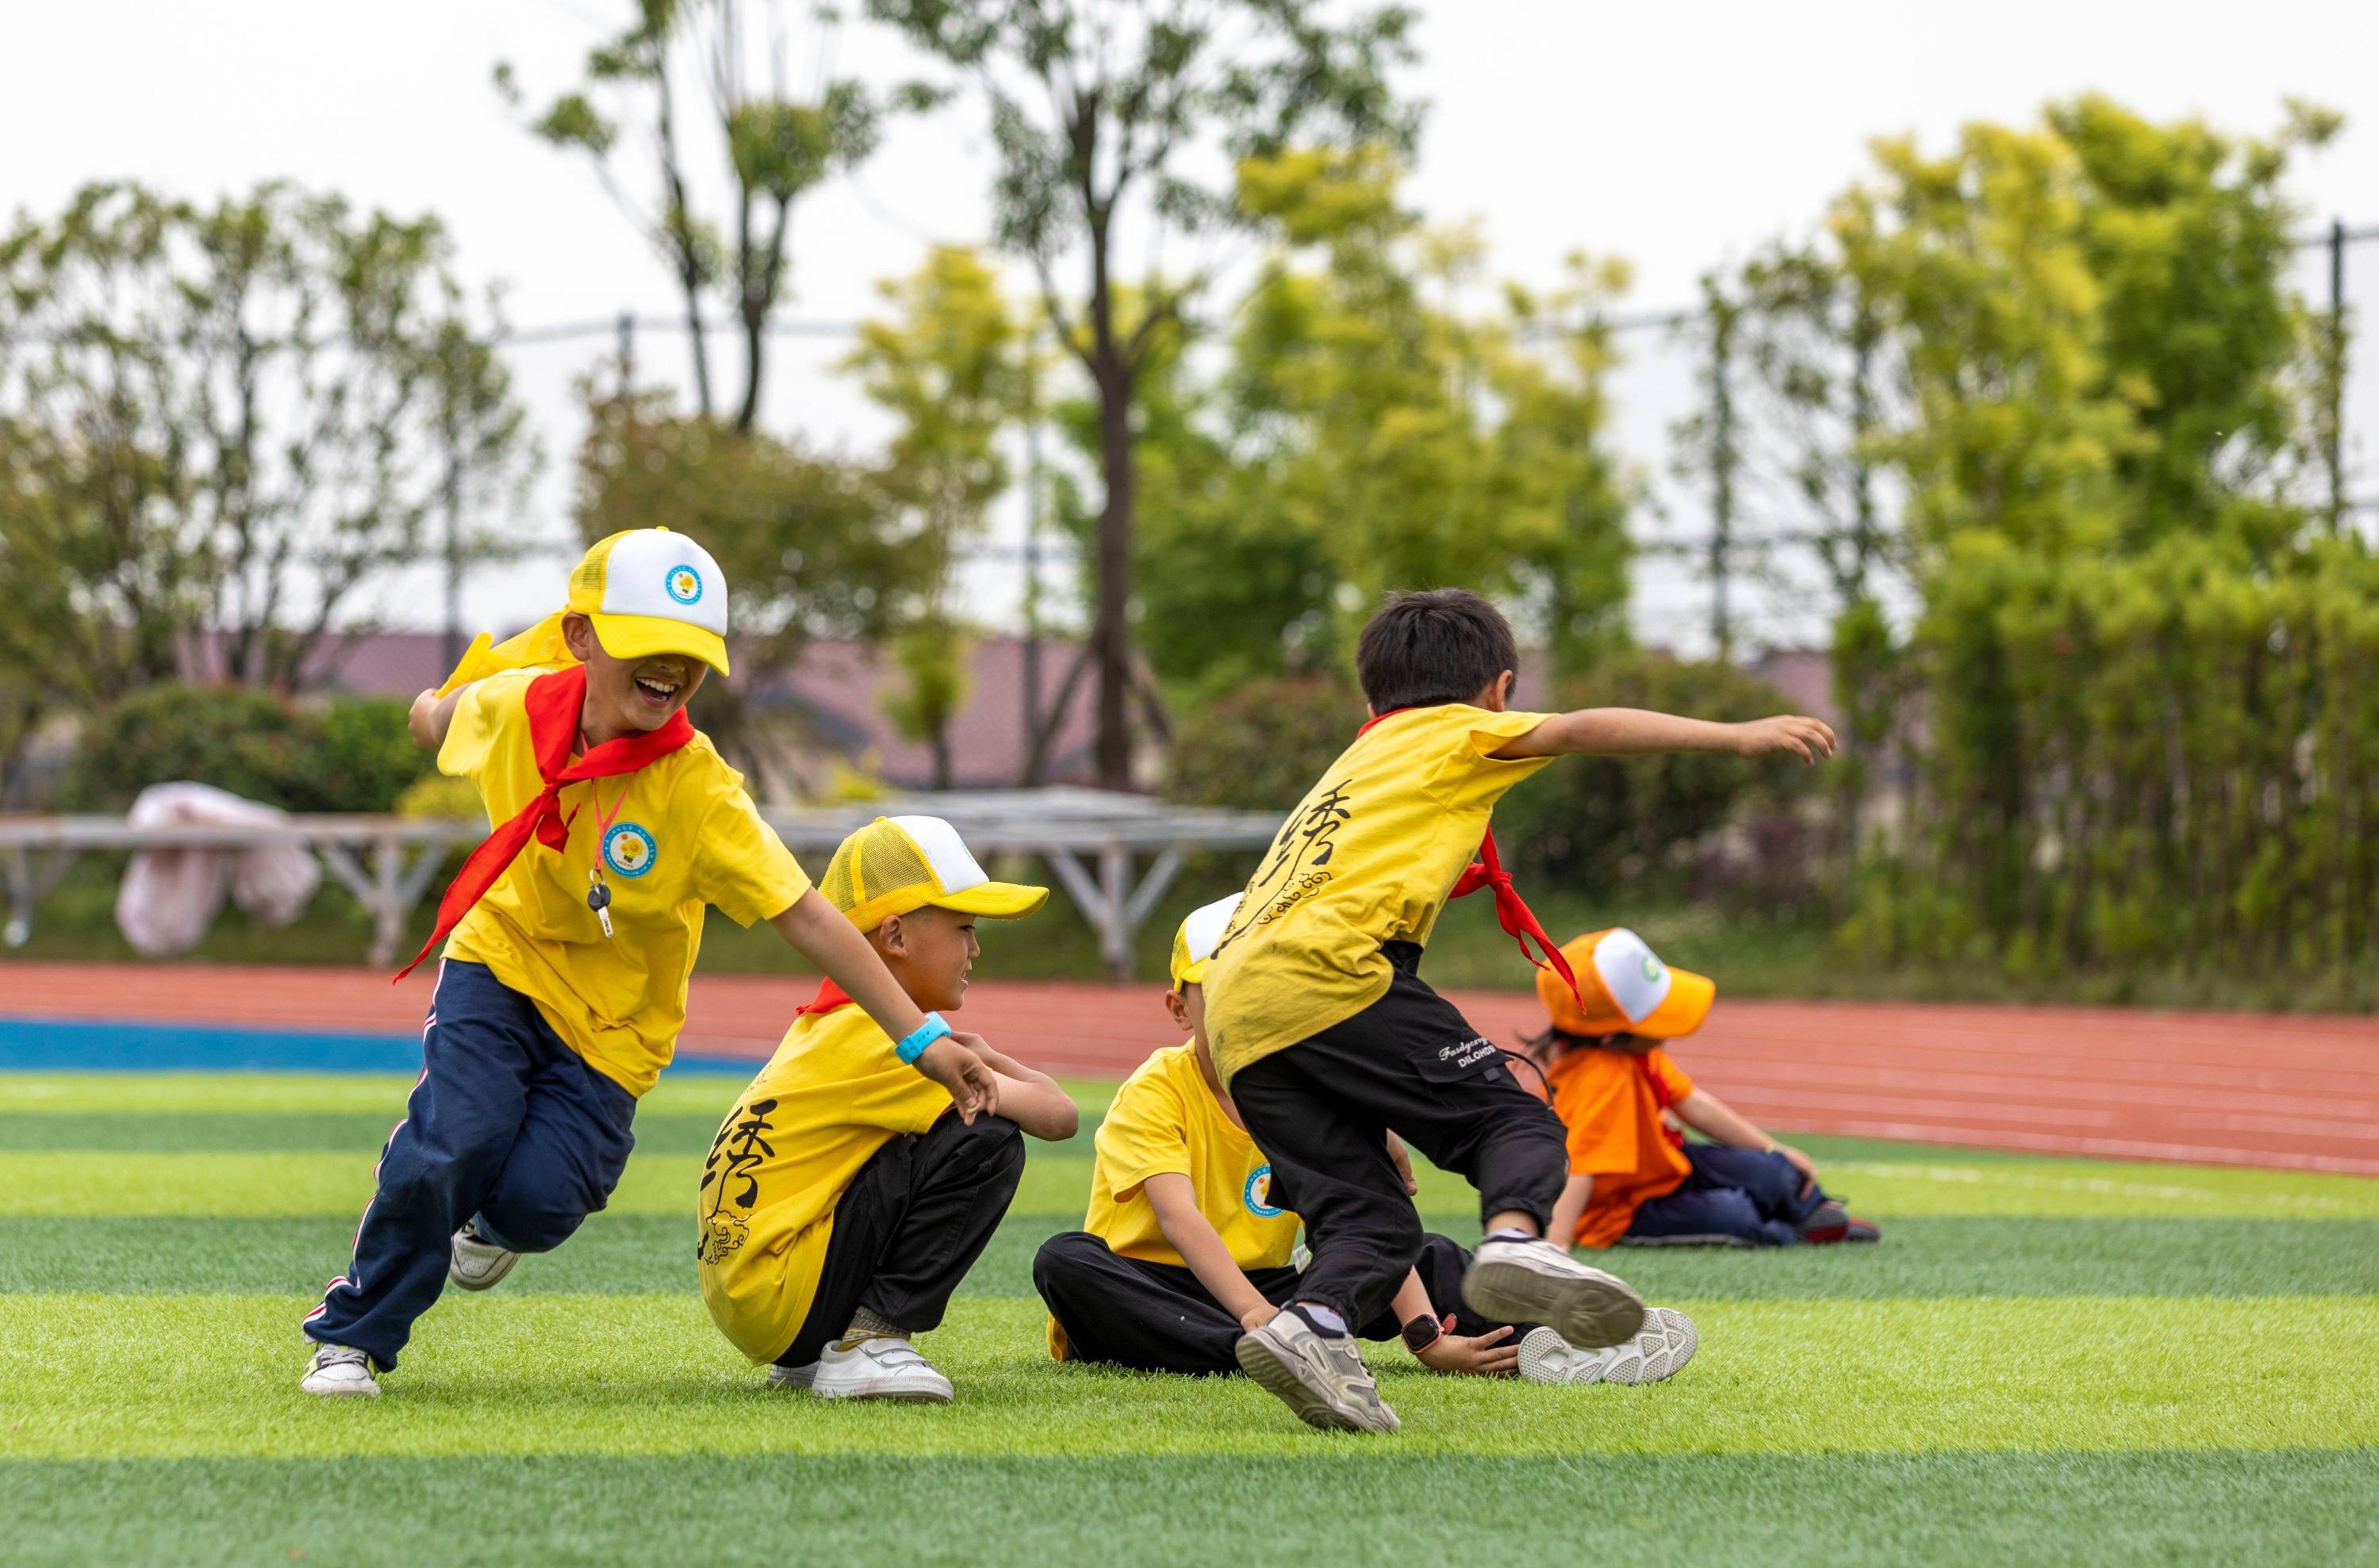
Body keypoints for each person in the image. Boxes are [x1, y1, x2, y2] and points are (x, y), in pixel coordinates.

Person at [300, 529, 1003, 1397]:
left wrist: (923, 1041)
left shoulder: (700, 792)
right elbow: (442, 717)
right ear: (585, 637)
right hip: (501, 965)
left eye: (691, 653)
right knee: (453, 1140)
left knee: (543, 1203)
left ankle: (488, 1222)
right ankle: (352, 1340)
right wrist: (429, 708)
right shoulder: (513, 707)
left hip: (614, 1030)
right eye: (647, 644)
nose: (671, 668)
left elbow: (810, 917)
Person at [1201, 588, 1834, 1432]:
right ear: (1497, 689)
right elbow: (1578, 729)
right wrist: (1735, 736)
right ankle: (1512, 1241)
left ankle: (1310, 1330)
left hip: (1236, 1007)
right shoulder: (1456, 729)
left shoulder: (1354, 760)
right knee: (1513, 1114)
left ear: (1368, 701)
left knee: (1367, 1214)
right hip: (1333, 969)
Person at [1034, 895, 1699, 1389]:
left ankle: (1564, 1342)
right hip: (1162, 1289)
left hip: (1279, 1285)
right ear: (1180, 1008)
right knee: (1065, 1260)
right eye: (1225, 994)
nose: (1252, 1011)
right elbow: (1177, 1218)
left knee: (1429, 1253)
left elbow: (1368, 1226)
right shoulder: (1156, 1090)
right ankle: (1268, 1349)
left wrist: (1424, 1336)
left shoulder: (1311, 1086)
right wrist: (1255, 1316)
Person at [698, 815, 1078, 1402]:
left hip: (759, 1301)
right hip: (786, 1294)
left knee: (942, 1130)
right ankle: (869, 1339)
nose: (975, 948)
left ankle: (818, 1352)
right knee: (987, 1136)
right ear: (895, 936)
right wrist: (993, 1067)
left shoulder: (829, 1027)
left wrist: (982, 1053)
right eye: (963, 928)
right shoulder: (882, 1042)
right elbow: (1060, 1116)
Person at [1529, 928, 1881, 1250]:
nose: (1667, 1023)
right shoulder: (1598, 1079)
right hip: (1622, 1209)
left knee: (1772, 1170)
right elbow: (1580, 1167)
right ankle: (1792, 1231)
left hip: (1667, 1166)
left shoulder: (1633, 1052)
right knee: (1734, 1215)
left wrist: (1775, 1150)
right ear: (1612, 1038)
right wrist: (1557, 1244)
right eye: (1657, 1014)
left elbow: (1694, 1104)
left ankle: (1815, 1211)